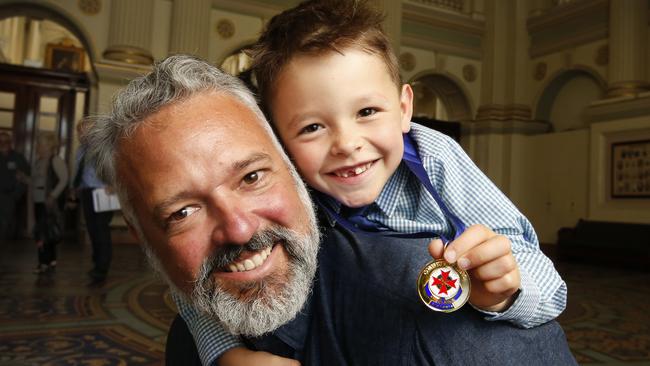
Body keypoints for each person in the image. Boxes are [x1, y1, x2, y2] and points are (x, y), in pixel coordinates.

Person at [82, 55, 576, 365]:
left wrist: (503, 295)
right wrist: (221, 352)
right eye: (182, 213)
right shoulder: (198, 330)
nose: (236, 229)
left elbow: (536, 277)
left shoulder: (444, 321)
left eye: (252, 178)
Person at [176, 0, 569, 364]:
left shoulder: (436, 157)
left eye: (367, 111)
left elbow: (549, 285)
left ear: (403, 109)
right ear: (277, 138)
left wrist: (505, 293)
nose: (347, 144)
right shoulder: (273, 179)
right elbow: (195, 267)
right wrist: (223, 352)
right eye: (312, 127)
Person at [71, 121, 114, 284]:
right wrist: (74, 188)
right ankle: (96, 263)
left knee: (101, 230)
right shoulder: (81, 150)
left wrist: (113, 184)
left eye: (84, 131)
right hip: (87, 192)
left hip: (103, 191)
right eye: (79, 132)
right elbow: (78, 171)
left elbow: (116, 166)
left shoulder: (104, 147)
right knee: (92, 229)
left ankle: (102, 268)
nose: (81, 135)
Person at [31, 131, 68, 274]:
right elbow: (35, 182)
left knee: (45, 233)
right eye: (38, 143)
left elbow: (64, 180)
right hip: (38, 201)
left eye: (41, 143)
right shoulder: (38, 161)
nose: (38, 146)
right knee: (43, 233)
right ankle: (50, 261)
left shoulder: (56, 160)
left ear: (49, 145)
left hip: (49, 204)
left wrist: (53, 195)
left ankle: (44, 263)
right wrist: (24, 179)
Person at [0, 131, 30, 240]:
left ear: (10, 143)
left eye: (6, 141)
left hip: (9, 198)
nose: (3, 144)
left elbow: (26, 178)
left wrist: (15, 195)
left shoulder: (18, 157)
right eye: (0, 141)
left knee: (4, 227)